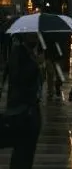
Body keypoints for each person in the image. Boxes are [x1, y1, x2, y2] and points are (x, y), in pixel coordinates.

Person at [1, 35, 42, 169]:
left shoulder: (28, 54)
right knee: (22, 152)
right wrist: (36, 66)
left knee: (26, 153)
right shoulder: (18, 53)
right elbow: (18, 77)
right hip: (22, 111)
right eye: (32, 36)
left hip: (29, 109)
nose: (35, 39)